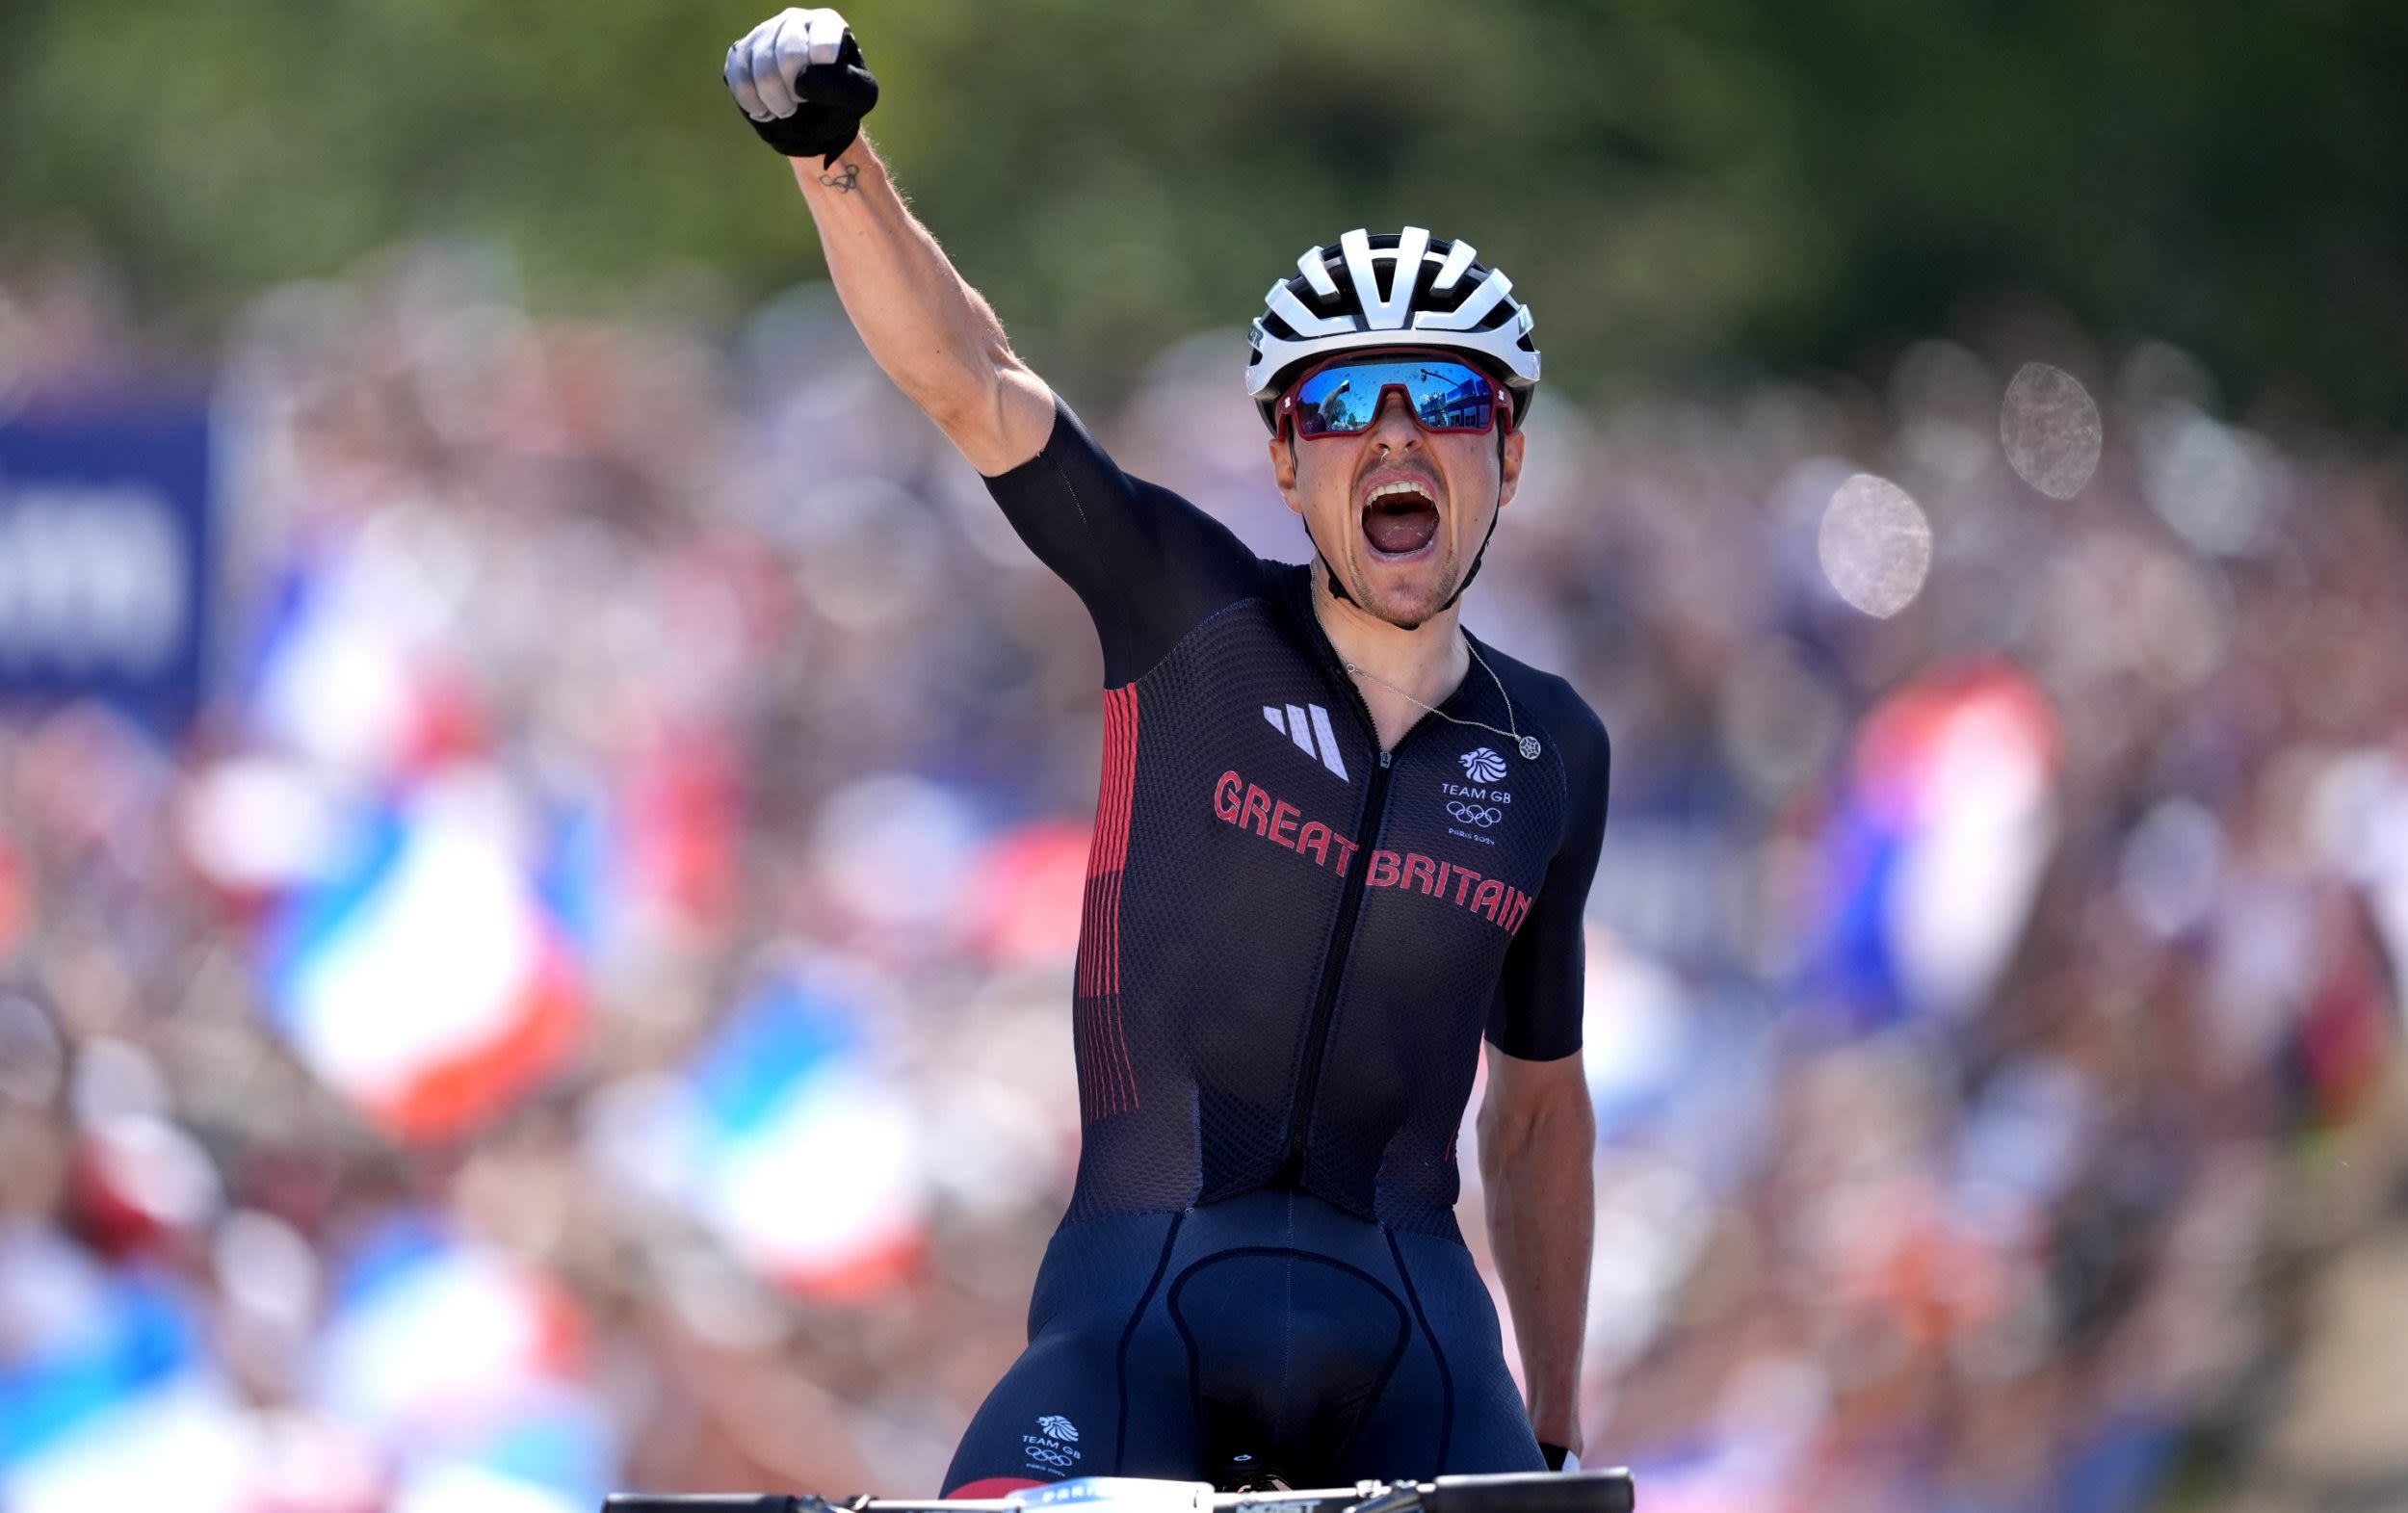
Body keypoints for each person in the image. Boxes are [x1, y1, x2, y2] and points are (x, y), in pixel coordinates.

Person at [723, 9, 1609, 1494]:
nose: (1393, 439)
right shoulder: (1185, 613)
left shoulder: (1551, 750)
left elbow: (1535, 1121)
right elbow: (972, 379)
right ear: (1284, 459)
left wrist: (1560, 1429)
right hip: (1135, 1309)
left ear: (1506, 453)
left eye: (1446, 400)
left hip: (1418, 1342)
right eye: (1340, 406)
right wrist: (832, 159)